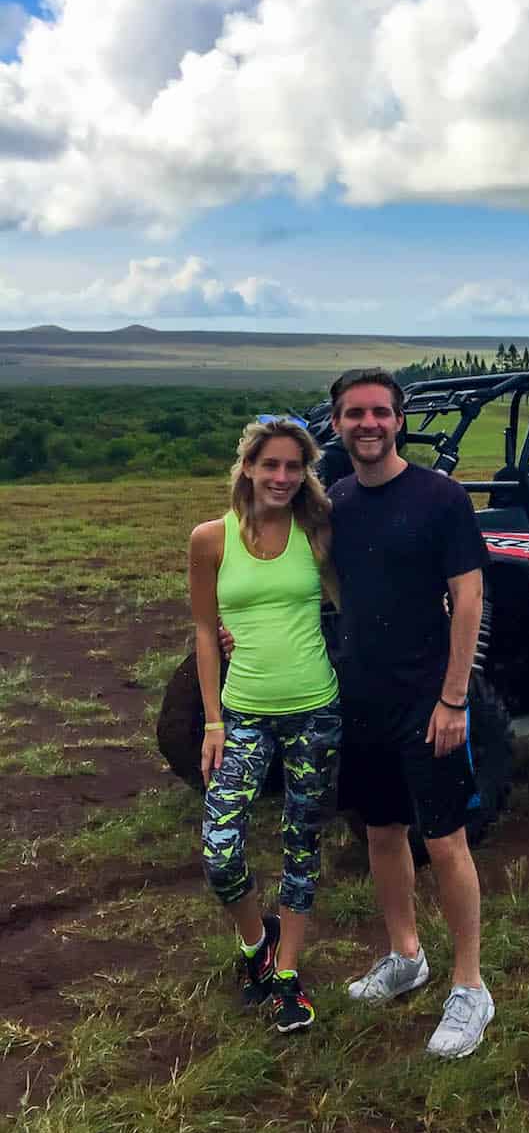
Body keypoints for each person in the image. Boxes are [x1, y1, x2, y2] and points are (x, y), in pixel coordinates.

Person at [328, 367, 493, 1059]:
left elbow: (470, 599)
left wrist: (454, 698)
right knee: (381, 833)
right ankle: (405, 956)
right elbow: (326, 585)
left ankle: (470, 988)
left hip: (428, 704)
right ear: (337, 425)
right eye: (353, 414)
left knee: (445, 839)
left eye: (379, 413)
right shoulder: (333, 502)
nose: (367, 424)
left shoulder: (440, 497)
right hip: (361, 698)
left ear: (399, 421)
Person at [190, 416, 341, 1035]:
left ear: (305, 473)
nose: (281, 477)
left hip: (315, 710)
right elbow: (204, 631)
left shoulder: (319, 533)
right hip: (244, 711)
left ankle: (286, 975)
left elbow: (356, 601)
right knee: (220, 850)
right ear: (247, 467)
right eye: (269, 464)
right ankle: (256, 943)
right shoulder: (211, 539)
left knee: (301, 845)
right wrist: (211, 721)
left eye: (293, 466)